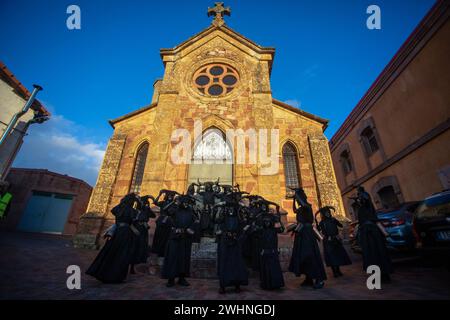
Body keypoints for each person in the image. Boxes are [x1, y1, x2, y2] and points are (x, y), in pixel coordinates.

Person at [86, 193, 139, 283]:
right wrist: (137, 203)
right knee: (122, 254)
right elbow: (135, 218)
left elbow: (113, 210)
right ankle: (116, 276)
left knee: (111, 252)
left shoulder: (118, 208)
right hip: (125, 232)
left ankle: (103, 273)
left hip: (117, 231)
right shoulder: (131, 210)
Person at [288, 188, 327, 289]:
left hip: (307, 234)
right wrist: (293, 199)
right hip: (301, 234)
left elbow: (303, 204)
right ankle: (308, 278)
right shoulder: (301, 208)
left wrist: (297, 195)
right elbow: (294, 210)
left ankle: (319, 279)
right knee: (301, 256)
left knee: (309, 255)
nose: (297, 201)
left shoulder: (307, 206)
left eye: (297, 199)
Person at [353, 186, 393, 283]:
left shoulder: (367, 204)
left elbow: (366, 199)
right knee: (371, 254)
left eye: (359, 197)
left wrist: (361, 197)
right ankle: (378, 275)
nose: (358, 200)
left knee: (376, 252)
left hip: (371, 232)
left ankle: (383, 275)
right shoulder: (362, 208)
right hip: (367, 232)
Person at [161, 195, 199, 287]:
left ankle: (182, 278)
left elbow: (197, 221)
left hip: (185, 238)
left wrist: (191, 228)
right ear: (181, 202)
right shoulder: (175, 210)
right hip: (175, 237)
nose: (186, 204)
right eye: (184, 202)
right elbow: (165, 210)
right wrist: (174, 201)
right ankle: (171, 279)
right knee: (173, 257)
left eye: (187, 202)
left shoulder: (190, 212)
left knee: (184, 259)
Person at [215, 200, 249, 294]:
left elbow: (243, 229)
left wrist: (237, 236)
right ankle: (223, 285)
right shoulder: (223, 218)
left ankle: (237, 284)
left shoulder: (239, 219)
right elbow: (217, 225)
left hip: (235, 243)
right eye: (229, 208)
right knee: (224, 263)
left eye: (232, 209)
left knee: (236, 263)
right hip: (225, 243)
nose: (231, 210)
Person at [254, 200, 285, 290]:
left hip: (273, 251)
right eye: (265, 222)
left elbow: (282, 229)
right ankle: (266, 284)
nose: (267, 223)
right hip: (265, 251)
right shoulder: (261, 230)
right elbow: (255, 233)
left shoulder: (273, 230)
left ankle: (276, 283)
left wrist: (279, 220)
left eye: (268, 222)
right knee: (265, 268)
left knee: (274, 267)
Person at [316, 206, 352, 278]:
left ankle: (338, 270)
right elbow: (319, 230)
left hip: (335, 239)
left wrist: (342, 224)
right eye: (326, 213)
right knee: (331, 257)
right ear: (323, 214)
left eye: (328, 212)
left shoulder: (333, 219)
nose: (328, 214)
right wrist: (317, 225)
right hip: (328, 241)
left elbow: (340, 225)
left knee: (337, 256)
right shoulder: (322, 222)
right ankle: (334, 272)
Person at [129, 195, 156, 274]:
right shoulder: (136, 211)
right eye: (145, 203)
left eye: (147, 204)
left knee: (141, 247)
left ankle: (134, 266)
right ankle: (130, 266)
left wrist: (148, 208)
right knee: (134, 247)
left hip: (143, 230)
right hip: (136, 229)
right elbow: (132, 220)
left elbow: (153, 215)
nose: (146, 205)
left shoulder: (146, 210)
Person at [151, 190, 179, 257]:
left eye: (172, 196)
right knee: (158, 236)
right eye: (169, 196)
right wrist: (159, 195)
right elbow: (155, 202)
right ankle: (156, 251)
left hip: (168, 222)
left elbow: (172, 213)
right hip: (161, 221)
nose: (170, 197)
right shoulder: (163, 202)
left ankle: (164, 252)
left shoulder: (174, 205)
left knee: (166, 237)